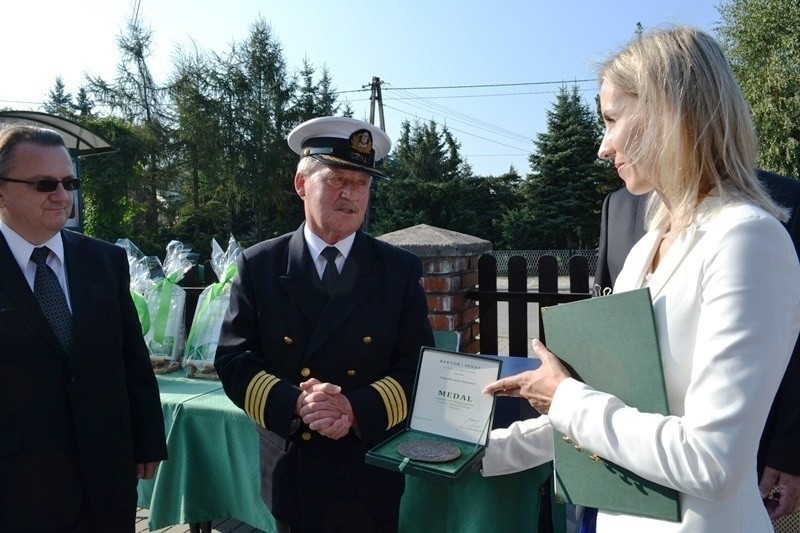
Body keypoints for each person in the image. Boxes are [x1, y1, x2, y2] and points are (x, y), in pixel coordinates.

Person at [480, 27, 800, 532]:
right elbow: (610, 409)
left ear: (669, 111)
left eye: (611, 119)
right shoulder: (648, 246)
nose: (603, 147)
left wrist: (564, 395)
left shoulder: (747, 239)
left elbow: (711, 462)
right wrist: (477, 454)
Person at [215, 116, 434, 532]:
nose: (351, 194)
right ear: (302, 184)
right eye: (337, 179)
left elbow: (419, 367)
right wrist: (298, 403)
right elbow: (234, 359)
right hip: (295, 464)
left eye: (362, 183)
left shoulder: (398, 269)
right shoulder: (259, 265)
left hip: (369, 465)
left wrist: (353, 409)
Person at [595, 174, 800, 522]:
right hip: (627, 475)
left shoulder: (775, 207)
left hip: (745, 456)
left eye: (615, 120)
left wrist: (790, 450)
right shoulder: (619, 205)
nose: (605, 148)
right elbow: (607, 308)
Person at [0, 124, 167, 531]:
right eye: (44, 184)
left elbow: (131, 356)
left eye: (69, 182)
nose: (62, 196)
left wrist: (146, 439)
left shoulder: (104, 260)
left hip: (106, 478)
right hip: (17, 488)